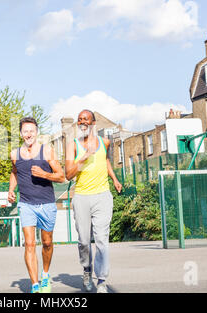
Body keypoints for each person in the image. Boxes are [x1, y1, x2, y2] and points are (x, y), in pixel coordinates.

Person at [65, 109, 122, 293]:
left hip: (102, 196)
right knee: (83, 241)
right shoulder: (73, 145)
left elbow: (105, 161)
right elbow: (68, 174)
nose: (82, 122)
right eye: (79, 119)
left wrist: (114, 178)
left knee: (102, 240)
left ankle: (102, 280)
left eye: (86, 119)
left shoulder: (105, 142)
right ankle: (87, 269)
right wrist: (84, 156)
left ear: (93, 123)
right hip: (81, 197)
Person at [8, 117, 65, 293]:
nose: (29, 134)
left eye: (32, 130)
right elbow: (15, 172)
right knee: (30, 244)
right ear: (20, 134)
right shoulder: (14, 154)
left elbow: (61, 176)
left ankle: (45, 275)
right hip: (26, 204)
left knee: (47, 243)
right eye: (25, 131)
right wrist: (11, 189)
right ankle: (35, 285)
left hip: (47, 203)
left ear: (37, 132)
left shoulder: (47, 151)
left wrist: (44, 174)